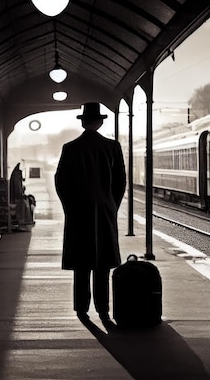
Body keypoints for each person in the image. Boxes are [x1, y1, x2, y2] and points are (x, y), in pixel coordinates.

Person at [54, 102, 127, 322]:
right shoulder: (113, 147)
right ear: (100, 122)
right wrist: (112, 204)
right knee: (102, 262)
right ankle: (103, 308)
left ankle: (81, 307)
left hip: (78, 211)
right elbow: (120, 181)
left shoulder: (70, 148)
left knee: (81, 262)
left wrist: (70, 206)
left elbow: (60, 182)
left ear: (84, 122)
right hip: (105, 210)